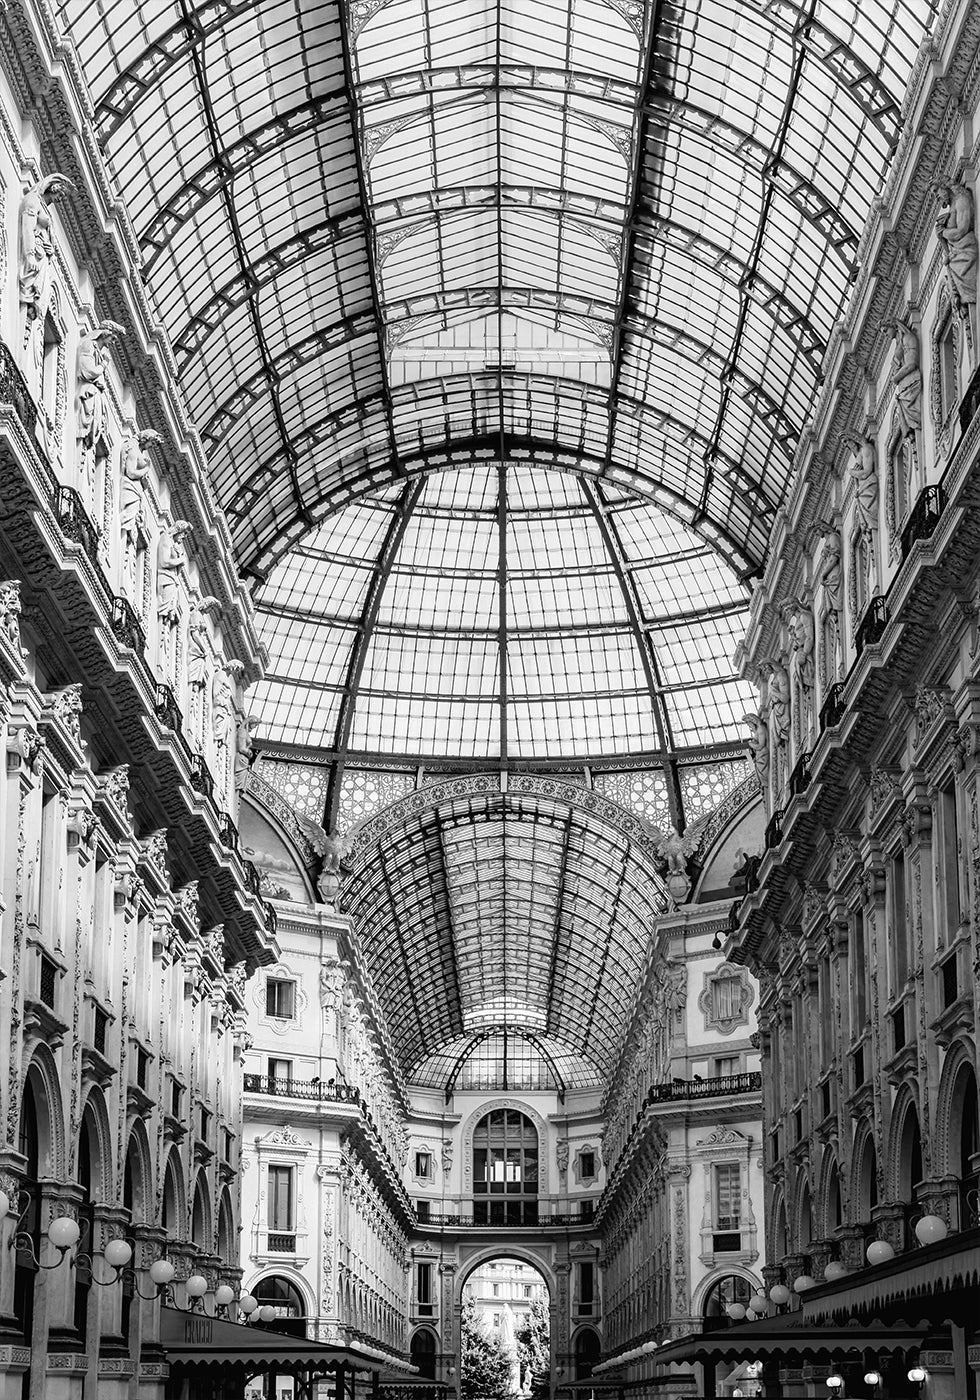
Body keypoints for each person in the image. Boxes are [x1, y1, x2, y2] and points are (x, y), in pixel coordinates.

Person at [936, 181, 978, 315]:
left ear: (944, 187)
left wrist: (943, 232)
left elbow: (962, 230)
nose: (937, 198)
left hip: (966, 251)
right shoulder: (953, 206)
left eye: (936, 193)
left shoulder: (961, 200)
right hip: (957, 254)